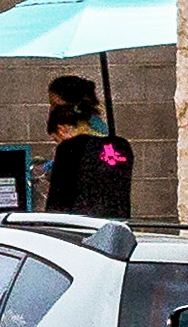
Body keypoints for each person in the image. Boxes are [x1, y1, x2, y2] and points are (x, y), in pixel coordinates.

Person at [50, 74, 140, 219]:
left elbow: (58, 201)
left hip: (80, 223)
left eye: (54, 104)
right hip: (115, 219)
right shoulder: (119, 145)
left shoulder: (70, 149)